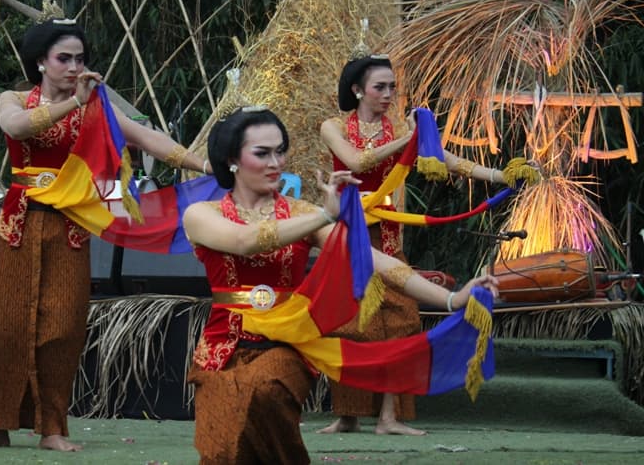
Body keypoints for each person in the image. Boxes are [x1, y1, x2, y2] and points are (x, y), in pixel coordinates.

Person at [183, 106, 499, 464]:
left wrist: (452, 299)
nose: (276, 161)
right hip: (224, 343)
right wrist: (324, 215)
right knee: (223, 446)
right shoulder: (201, 214)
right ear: (231, 160)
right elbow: (246, 241)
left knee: (265, 389)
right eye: (262, 153)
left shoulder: (303, 214)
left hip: (289, 340)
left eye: (279, 150)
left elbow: (382, 263)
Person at [0, 18, 208, 452]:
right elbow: (17, 129)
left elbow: (149, 139)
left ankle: (53, 428)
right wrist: (74, 104)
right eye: (63, 59)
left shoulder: (97, 107)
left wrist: (208, 167)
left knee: (62, 327)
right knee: (3, 326)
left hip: (71, 227)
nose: (74, 67)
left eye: (80, 59)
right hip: (18, 225)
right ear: (41, 63)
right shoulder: (14, 99)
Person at [318, 53, 530, 436]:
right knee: (347, 325)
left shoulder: (397, 127)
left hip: (390, 235)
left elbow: (446, 160)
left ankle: (388, 418)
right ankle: (347, 415)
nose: (388, 94)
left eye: (392, 88)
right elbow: (357, 161)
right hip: (347, 234)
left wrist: (500, 174)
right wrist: (408, 139)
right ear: (357, 90)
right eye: (379, 87)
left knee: (400, 322)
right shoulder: (333, 127)